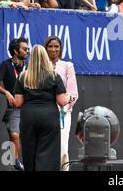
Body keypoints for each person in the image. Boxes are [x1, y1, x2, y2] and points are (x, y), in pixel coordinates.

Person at [14, 45, 73, 171]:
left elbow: (18, 102)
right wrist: (70, 97)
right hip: (49, 118)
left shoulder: (23, 76)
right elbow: (62, 101)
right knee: (48, 153)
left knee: (29, 152)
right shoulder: (54, 76)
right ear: (45, 57)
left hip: (28, 118)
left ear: (31, 58)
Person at [0, 37, 29, 171]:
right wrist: (6, 92)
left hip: (29, 108)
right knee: (14, 135)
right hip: (14, 108)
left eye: (28, 49)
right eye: (24, 49)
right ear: (15, 50)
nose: (27, 51)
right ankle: (16, 161)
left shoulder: (29, 66)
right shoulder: (6, 65)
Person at [44, 36, 78, 171]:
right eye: (50, 46)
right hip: (43, 110)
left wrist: (64, 108)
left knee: (62, 147)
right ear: (45, 49)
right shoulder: (40, 66)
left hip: (62, 112)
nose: (53, 49)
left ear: (60, 49)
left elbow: (73, 93)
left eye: (56, 46)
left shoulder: (67, 66)